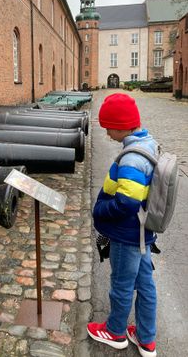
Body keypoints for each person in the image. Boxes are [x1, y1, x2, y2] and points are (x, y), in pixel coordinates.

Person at [87, 93, 158, 357]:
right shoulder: (148, 143)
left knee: (121, 283)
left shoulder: (131, 159)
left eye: (108, 128)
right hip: (142, 231)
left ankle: (116, 332)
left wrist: (101, 210)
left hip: (127, 234)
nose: (106, 134)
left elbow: (126, 202)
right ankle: (146, 338)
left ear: (120, 126)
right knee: (145, 283)